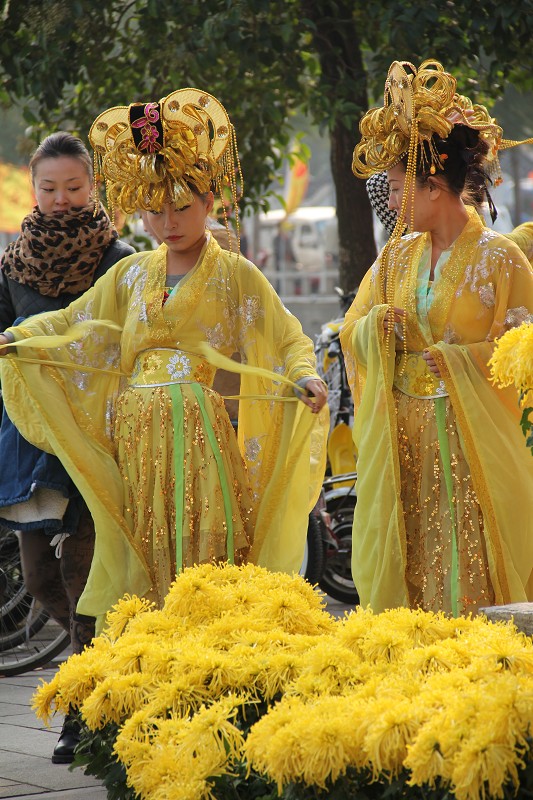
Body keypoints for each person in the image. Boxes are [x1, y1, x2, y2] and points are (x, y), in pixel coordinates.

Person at [0, 89, 328, 637]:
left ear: (208, 202)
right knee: (142, 552)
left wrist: (304, 374)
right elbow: (71, 320)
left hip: (200, 436)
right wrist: (18, 336)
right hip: (135, 441)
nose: (168, 221)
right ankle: (148, 662)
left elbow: (287, 334)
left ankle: (209, 656)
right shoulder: (130, 275)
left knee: (205, 547)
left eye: (181, 207)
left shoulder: (234, 275)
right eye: (155, 209)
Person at [341, 59, 533, 617]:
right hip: (406, 438)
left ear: (432, 186)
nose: (392, 201)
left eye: (400, 188)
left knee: (468, 554)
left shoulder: (501, 259)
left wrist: (460, 359)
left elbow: (524, 352)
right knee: (414, 552)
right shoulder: (395, 257)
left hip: (474, 444)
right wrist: (377, 327)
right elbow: (353, 326)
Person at [0, 131, 134, 762]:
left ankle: (82, 713)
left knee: (85, 577)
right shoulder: (12, 264)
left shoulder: (119, 260)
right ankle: (104, 673)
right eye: (49, 188)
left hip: (95, 436)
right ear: (34, 189)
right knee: (40, 578)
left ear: (93, 187)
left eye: (73, 187)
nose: (61, 199)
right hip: (31, 441)